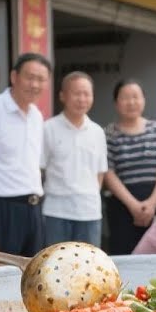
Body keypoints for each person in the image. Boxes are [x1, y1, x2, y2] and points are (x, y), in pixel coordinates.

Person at [0, 52, 50, 256]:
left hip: (33, 208)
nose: (35, 84)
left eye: (41, 79)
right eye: (30, 77)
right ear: (14, 77)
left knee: (32, 275)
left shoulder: (36, 115)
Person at [103, 79, 156, 255]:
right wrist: (133, 206)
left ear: (143, 100)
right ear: (116, 103)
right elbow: (109, 173)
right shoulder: (109, 133)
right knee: (123, 256)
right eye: (125, 98)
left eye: (136, 97)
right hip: (122, 206)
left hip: (155, 202)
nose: (131, 102)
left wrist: (152, 203)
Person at [41, 72, 107, 247]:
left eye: (87, 94)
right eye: (77, 93)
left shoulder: (97, 131)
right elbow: (40, 169)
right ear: (62, 96)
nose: (82, 99)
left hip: (89, 211)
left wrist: (87, 194)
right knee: (55, 264)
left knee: (90, 267)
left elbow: (100, 172)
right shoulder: (48, 128)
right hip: (56, 211)